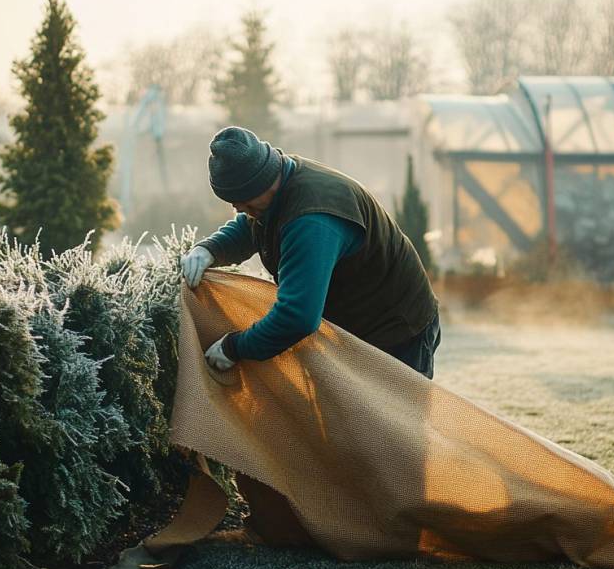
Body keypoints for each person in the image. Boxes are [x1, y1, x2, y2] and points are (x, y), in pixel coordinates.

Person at [180, 126, 442, 379]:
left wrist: (234, 348)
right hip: (355, 328)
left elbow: (297, 317)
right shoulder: (277, 182)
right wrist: (210, 249)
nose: (237, 209)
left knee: (391, 421)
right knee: (342, 420)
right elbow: (252, 225)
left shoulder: (312, 220)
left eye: (242, 202)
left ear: (261, 185)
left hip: (396, 330)